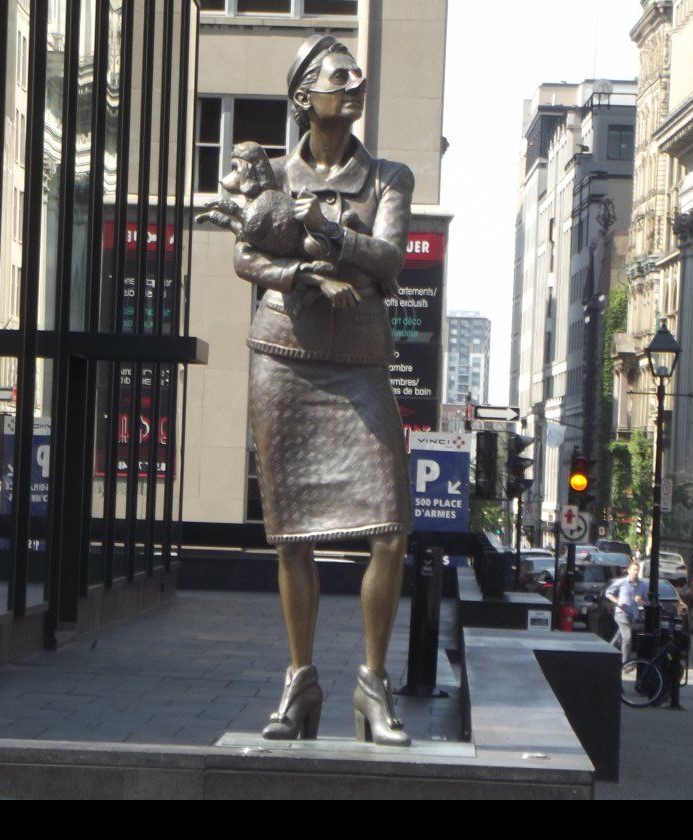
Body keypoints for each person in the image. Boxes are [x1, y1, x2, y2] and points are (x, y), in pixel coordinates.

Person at [229, 35, 414, 747]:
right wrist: (307, 266)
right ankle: (300, 680)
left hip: (360, 363)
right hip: (283, 359)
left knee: (390, 530)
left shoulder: (389, 176)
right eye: (339, 75)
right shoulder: (269, 171)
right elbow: (248, 255)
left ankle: (372, 684)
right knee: (291, 536)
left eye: (356, 74)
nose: (355, 82)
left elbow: (390, 260)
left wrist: (323, 234)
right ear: (304, 96)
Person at [605, 561, 647, 660]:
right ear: (628, 570)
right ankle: (625, 663)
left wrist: (641, 601)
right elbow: (608, 593)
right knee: (627, 638)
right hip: (621, 613)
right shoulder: (622, 582)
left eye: (637, 570)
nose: (635, 572)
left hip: (633, 615)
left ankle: (606, 654)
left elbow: (646, 602)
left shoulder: (642, 585)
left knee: (619, 637)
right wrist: (617, 601)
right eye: (634, 570)